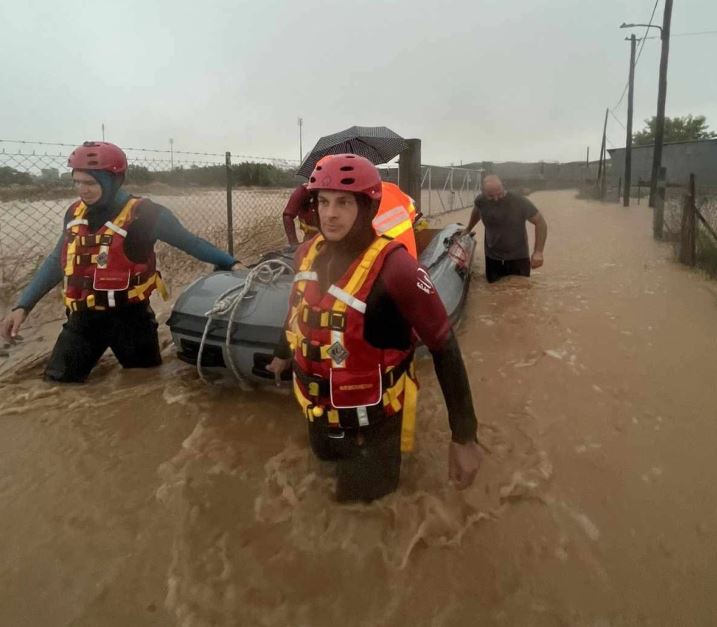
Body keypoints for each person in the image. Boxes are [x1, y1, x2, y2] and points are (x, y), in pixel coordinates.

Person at [267, 154, 481, 502]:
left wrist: (464, 437)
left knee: (364, 510)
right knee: (321, 479)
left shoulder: (398, 269)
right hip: (319, 412)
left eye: (343, 202)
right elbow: (299, 310)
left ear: (366, 207)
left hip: (373, 425)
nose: (330, 213)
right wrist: (282, 354)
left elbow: (444, 346)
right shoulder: (305, 253)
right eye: (322, 202)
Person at [0, 141, 238, 383]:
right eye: (76, 182)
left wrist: (231, 263)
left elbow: (192, 243)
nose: (82, 190)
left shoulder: (147, 214)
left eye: (90, 183)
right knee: (57, 386)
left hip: (131, 321)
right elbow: (56, 261)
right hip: (83, 320)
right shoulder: (74, 214)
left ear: (113, 180)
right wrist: (23, 306)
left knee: (145, 384)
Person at [461, 174, 548, 283]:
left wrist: (538, 252)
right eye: (491, 196)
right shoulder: (481, 200)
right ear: (483, 192)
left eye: (499, 194)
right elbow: (477, 211)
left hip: (518, 258)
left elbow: (540, 222)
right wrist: (468, 228)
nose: (496, 198)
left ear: (503, 187)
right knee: (493, 292)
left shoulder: (519, 201)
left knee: (521, 293)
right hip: (492, 258)